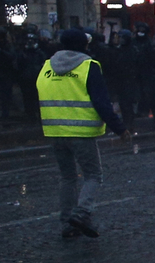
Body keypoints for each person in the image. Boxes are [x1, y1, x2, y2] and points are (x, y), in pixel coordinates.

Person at [37, 27, 126, 238]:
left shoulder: (47, 66)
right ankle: (82, 212)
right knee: (93, 175)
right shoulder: (89, 67)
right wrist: (120, 128)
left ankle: (67, 222)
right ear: (83, 45)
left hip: (54, 130)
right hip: (81, 131)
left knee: (67, 177)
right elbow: (101, 102)